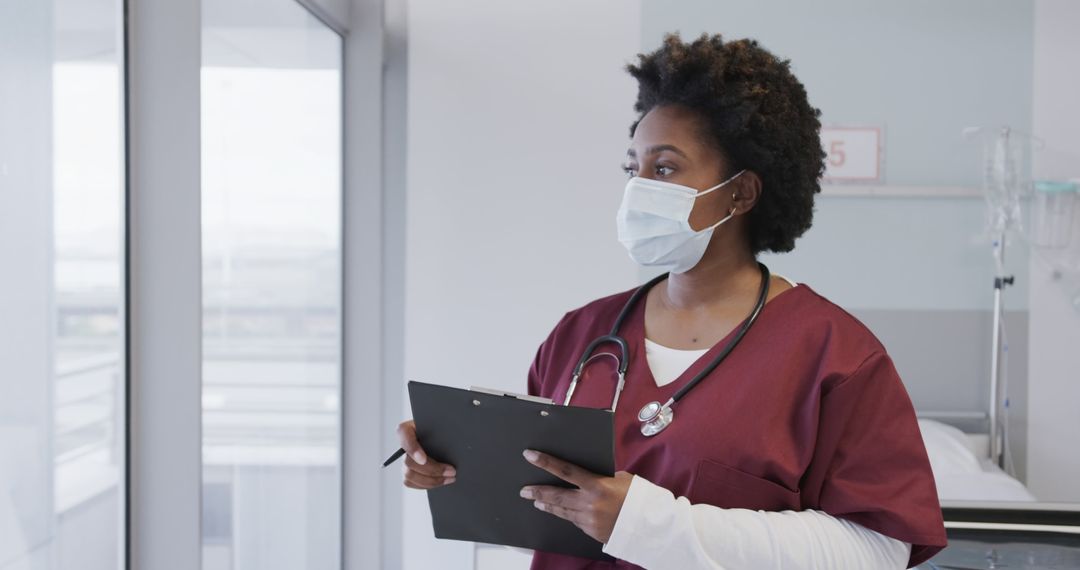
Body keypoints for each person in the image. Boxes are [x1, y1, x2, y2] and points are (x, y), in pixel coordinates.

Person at [398, 33, 947, 569]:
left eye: (664, 168)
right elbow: (545, 521)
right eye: (632, 167)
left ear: (741, 192)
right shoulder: (581, 334)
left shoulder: (835, 356)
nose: (638, 187)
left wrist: (648, 525)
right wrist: (464, 471)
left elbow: (880, 551)